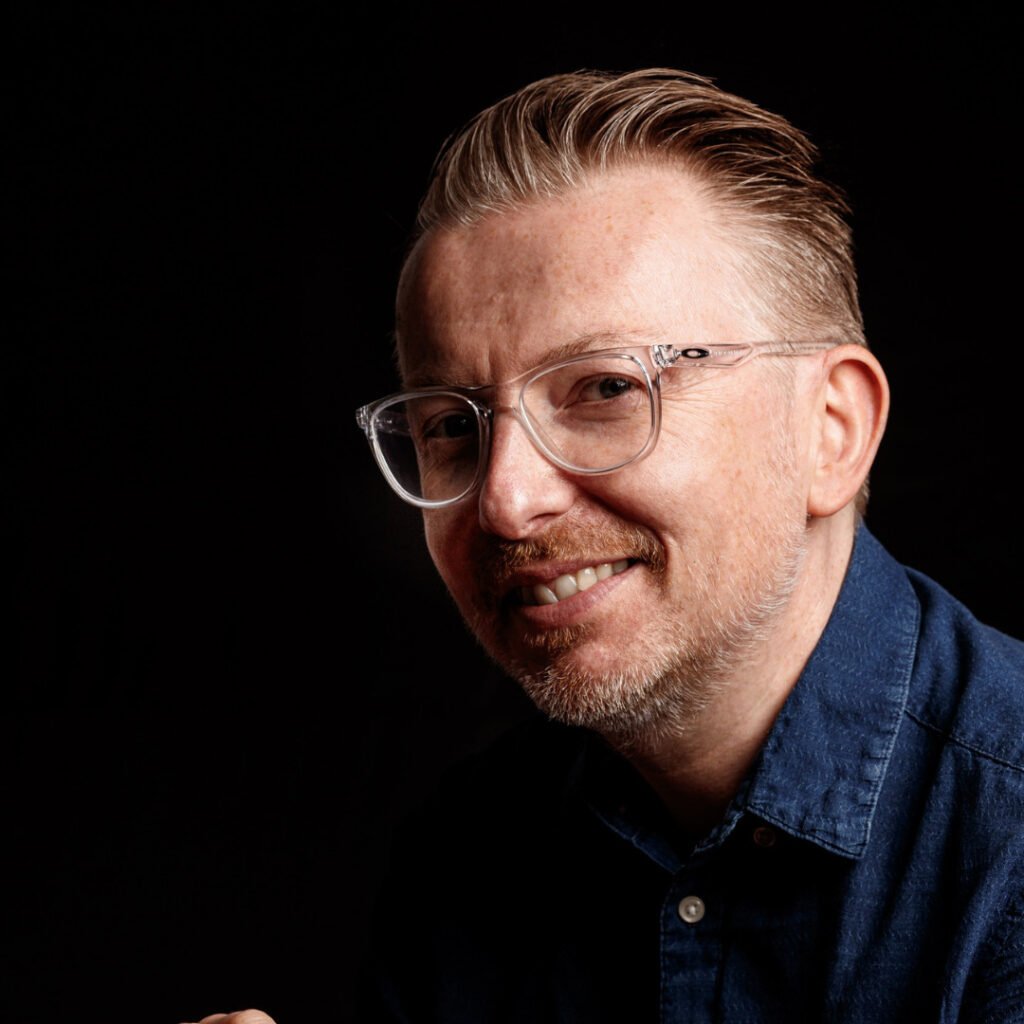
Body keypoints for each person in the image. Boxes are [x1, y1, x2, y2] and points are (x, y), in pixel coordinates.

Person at [194, 68, 1024, 1023]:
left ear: (829, 429)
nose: (504, 502)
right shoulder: (467, 856)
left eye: (605, 390)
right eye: (451, 427)